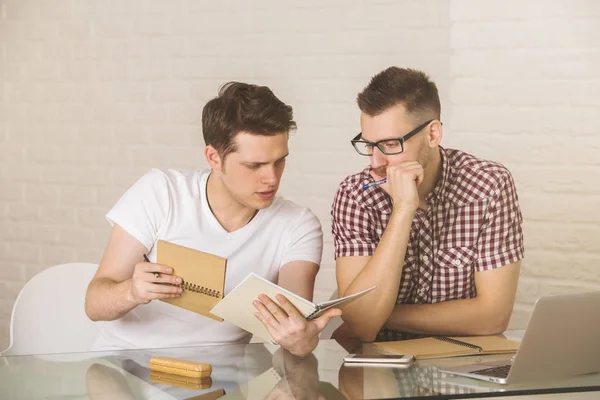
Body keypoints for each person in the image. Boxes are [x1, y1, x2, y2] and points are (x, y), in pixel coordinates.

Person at [85, 82, 341, 356]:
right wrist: (132, 292)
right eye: (254, 165)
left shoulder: (297, 225)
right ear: (213, 157)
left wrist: (301, 340)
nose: (272, 178)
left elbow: (295, 330)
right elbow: (94, 304)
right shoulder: (161, 192)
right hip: (126, 362)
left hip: (218, 378)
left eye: (279, 161)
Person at [331, 67, 524, 344]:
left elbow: (493, 317)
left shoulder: (489, 186)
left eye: (389, 144)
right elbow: (362, 326)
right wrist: (403, 211)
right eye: (369, 145)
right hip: (379, 372)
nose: (375, 162)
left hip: (462, 368)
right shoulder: (355, 195)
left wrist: (379, 313)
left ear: (432, 135)